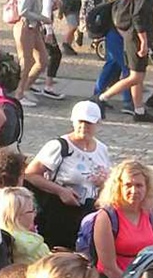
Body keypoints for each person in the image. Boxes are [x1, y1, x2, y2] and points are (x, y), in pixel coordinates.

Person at [25, 101, 113, 250]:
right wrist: (61, 191)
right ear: (73, 121)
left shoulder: (102, 149)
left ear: (98, 123)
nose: (84, 126)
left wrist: (103, 184)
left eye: (89, 123)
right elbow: (30, 175)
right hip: (60, 212)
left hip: (90, 211)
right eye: (80, 121)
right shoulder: (59, 146)